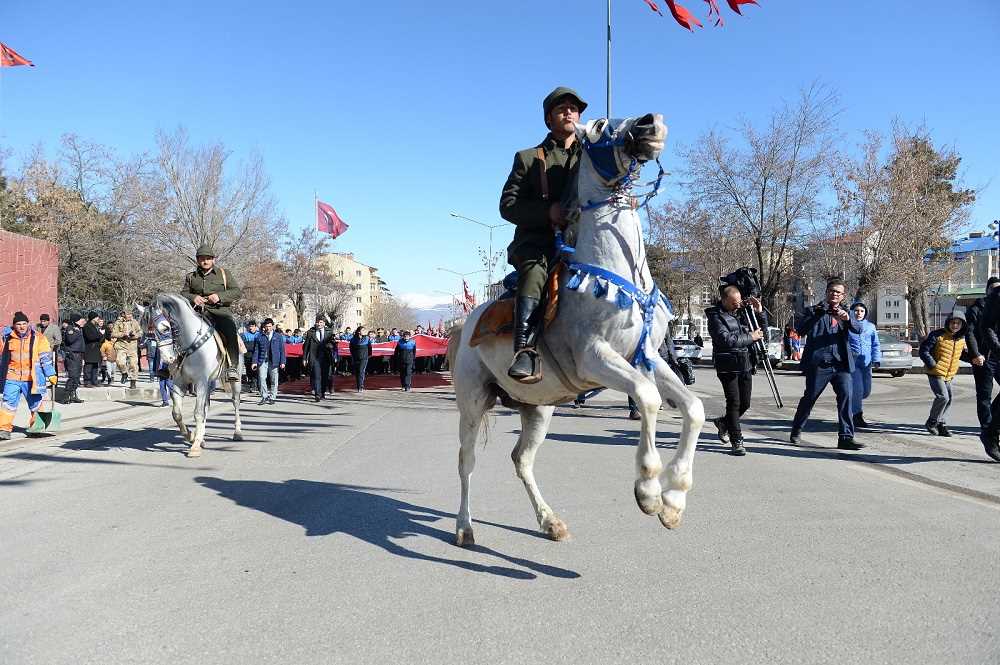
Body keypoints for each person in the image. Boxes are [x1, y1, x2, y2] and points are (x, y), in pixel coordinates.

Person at [500, 86, 586, 383]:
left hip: (583, 243)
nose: (569, 112)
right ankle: (524, 351)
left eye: (574, 108)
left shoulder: (592, 155)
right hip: (538, 244)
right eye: (561, 108)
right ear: (549, 119)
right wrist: (547, 212)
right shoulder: (528, 158)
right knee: (535, 273)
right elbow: (508, 206)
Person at [789, 278, 864, 450]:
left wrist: (847, 319)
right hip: (819, 364)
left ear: (843, 296)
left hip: (841, 364)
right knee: (810, 398)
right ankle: (797, 429)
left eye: (838, 292)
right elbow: (800, 330)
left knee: (846, 396)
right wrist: (818, 315)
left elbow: (859, 329)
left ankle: (846, 437)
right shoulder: (813, 310)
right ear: (826, 292)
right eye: (832, 291)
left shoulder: (845, 312)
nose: (834, 294)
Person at [706, 285, 766, 456]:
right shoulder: (715, 317)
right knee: (734, 402)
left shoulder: (743, 312)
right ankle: (737, 440)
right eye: (733, 303)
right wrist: (751, 337)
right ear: (724, 300)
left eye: (738, 302)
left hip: (745, 363)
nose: (737, 305)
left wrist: (759, 313)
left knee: (745, 403)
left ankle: (724, 423)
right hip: (728, 365)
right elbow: (726, 340)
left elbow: (761, 333)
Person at [181, 244, 243, 381]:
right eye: (202, 258)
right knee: (176, 329)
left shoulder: (224, 274)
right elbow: (183, 293)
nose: (205, 261)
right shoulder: (191, 277)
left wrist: (219, 296)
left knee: (230, 330)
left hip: (219, 312)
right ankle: (173, 365)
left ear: (213, 259)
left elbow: (237, 292)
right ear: (197, 260)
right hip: (197, 313)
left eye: (208, 258)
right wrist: (193, 297)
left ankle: (232, 367)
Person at [0, 312, 58, 440]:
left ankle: (36, 427)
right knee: (8, 404)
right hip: (12, 377)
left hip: (32, 378)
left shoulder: (38, 338)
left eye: (24, 324)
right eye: (18, 324)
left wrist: (51, 374)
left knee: (36, 404)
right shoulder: (7, 337)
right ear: (14, 325)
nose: (21, 326)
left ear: (28, 324)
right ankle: (4, 429)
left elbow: (45, 358)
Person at [918, 310, 967, 437]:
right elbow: (923, 351)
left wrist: (975, 357)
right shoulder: (937, 335)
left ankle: (941, 423)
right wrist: (932, 364)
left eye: (958, 323)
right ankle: (932, 422)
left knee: (949, 399)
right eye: (953, 322)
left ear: (962, 325)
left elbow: (961, 354)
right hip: (935, 372)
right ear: (948, 322)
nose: (955, 325)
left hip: (949, 374)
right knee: (943, 397)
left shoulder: (961, 338)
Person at [965, 277, 1000, 433]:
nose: (996, 290)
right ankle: (987, 426)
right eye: (993, 288)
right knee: (985, 394)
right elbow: (970, 333)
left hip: (998, 355)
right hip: (983, 357)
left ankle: (994, 421)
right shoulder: (976, 308)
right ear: (987, 290)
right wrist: (976, 353)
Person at [847, 302, 881, 429]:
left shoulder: (871, 327)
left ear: (865, 313)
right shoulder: (847, 325)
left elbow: (875, 344)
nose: (859, 313)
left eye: (861, 311)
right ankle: (857, 416)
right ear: (852, 312)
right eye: (856, 310)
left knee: (866, 392)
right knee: (858, 389)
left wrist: (876, 359)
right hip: (853, 364)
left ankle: (851, 400)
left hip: (866, 364)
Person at [251, 319, 285, 405]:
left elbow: (282, 350)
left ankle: (272, 397)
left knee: (274, 380)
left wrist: (282, 362)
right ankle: (264, 396)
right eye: (266, 326)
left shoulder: (278, 336)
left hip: (274, 361)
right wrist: (254, 362)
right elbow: (256, 350)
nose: (268, 328)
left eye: (270, 326)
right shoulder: (259, 336)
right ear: (264, 327)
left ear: (272, 326)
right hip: (262, 361)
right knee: (262, 378)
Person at [303, 315, 336, 401]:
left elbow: (334, 345)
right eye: (317, 322)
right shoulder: (311, 332)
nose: (319, 324)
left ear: (324, 323)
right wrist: (304, 358)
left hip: (326, 357)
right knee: (317, 376)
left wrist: (331, 346)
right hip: (315, 358)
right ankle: (317, 394)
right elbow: (306, 346)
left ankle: (322, 393)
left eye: (321, 322)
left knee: (325, 376)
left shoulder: (329, 332)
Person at [111, 310, 142, 389]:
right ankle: (124, 373)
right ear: (124, 315)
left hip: (132, 345)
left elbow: (140, 333)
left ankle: (133, 381)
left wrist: (134, 335)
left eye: (131, 314)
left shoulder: (135, 322)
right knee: (119, 361)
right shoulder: (118, 322)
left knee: (133, 364)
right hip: (122, 345)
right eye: (128, 314)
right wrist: (122, 334)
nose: (130, 316)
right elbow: (113, 334)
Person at [60, 313, 85, 404]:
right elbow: (70, 340)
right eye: (81, 320)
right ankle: (65, 396)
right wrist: (77, 331)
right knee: (73, 376)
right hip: (73, 355)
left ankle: (73, 395)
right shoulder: (70, 328)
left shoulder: (78, 328)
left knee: (77, 376)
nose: (83, 321)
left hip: (78, 355)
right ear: (77, 320)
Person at [82, 312, 103, 388]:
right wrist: (99, 335)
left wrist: (100, 335)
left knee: (95, 366)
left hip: (96, 349)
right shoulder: (87, 326)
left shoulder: (95, 326)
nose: (98, 319)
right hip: (89, 349)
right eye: (97, 317)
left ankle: (94, 381)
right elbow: (90, 337)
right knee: (88, 366)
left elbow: (101, 337)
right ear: (93, 318)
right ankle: (87, 381)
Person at [350, 325, 371, 393]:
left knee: (361, 371)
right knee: (357, 372)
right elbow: (351, 349)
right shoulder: (353, 339)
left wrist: (369, 355)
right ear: (359, 332)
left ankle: (361, 386)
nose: (364, 331)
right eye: (363, 330)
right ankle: (358, 385)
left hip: (364, 358)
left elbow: (370, 347)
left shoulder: (367, 338)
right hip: (356, 358)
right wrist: (353, 356)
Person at [240, 321, 259, 391]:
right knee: (249, 370)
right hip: (248, 355)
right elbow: (243, 345)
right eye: (250, 326)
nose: (251, 328)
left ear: (255, 327)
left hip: (256, 355)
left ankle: (255, 384)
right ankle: (251, 384)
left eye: (252, 326)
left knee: (256, 370)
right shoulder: (245, 335)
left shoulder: (259, 334)